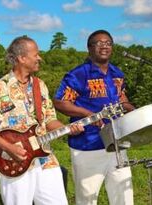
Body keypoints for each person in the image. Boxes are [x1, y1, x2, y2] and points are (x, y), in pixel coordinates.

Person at [0, 36, 83, 205]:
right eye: (36, 54)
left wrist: (68, 128)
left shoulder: (41, 85)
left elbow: (49, 120)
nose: (40, 58)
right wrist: (8, 147)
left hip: (45, 158)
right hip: (14, 160)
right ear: (22, 58)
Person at [53, 30, 135, 205]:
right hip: (88, 145)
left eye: (108, 43)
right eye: (99, 43)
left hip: (117, 144)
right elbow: (60, 102)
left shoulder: (117, 73)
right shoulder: (78, 74)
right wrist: (87, 114)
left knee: (124, 197)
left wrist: (133, 111)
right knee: (87, 198)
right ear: (89, 48)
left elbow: (122, 98)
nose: (104, 46)